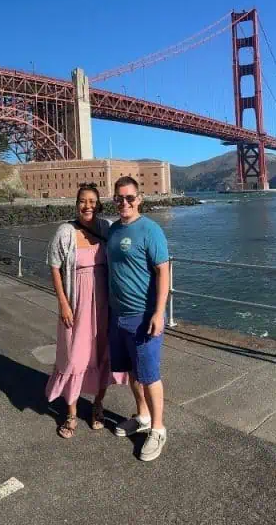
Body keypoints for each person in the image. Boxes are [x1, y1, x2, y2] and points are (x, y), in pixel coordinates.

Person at [44, 184, 126, 438]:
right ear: (76, 203)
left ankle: (97, 406)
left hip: (104, 305)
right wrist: (63, 303)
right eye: (82, 201)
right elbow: (54, 266)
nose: (87, 205)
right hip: (76, 304)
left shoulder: (105, 228)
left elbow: (125, 254)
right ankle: (70, 412)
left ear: (98, 203)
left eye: (92, 201)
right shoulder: (65, 232)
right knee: (74, 357)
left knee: (102, 354)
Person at [106, 176, 170, 462]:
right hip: (117, 316)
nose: (125, 203)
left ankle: (158, 429)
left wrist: (158, 312)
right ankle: (143, 415)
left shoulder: (150, 230)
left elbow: (163, 271)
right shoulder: (113, 230)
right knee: (133, 373)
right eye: (119, 198)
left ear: (140, 198)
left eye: (130, 198)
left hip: (142, 316)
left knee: (150, 376)